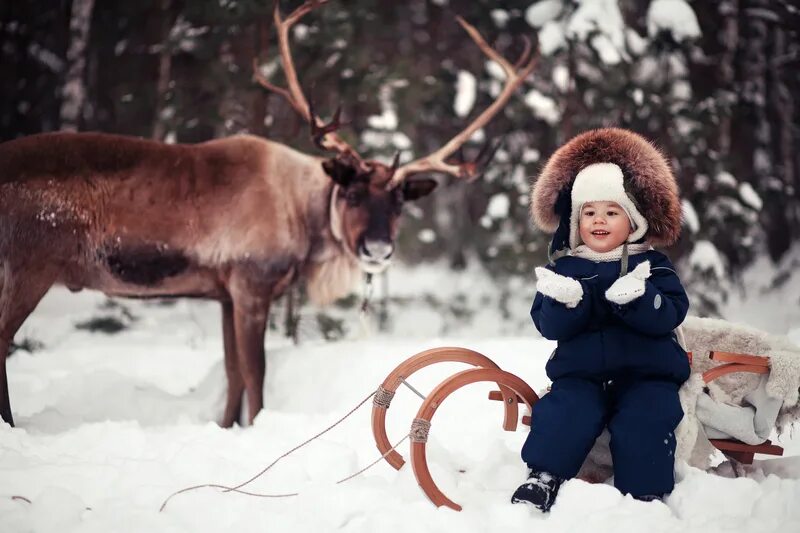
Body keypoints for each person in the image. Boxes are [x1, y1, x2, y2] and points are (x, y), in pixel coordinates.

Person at [512, 128, 690, 511]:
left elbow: (672, 312)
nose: (599, 220)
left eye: (612, 212)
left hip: (647, 372)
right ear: (576, 221)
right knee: (564, 410)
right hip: (582, 374)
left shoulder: (651, 264)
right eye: (589, 212)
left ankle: (644, 495)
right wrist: (564, 303)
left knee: (646, 417)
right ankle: (543, 477)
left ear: (634, 221)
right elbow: (547, 326)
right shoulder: (566, 268)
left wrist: (642, 299)